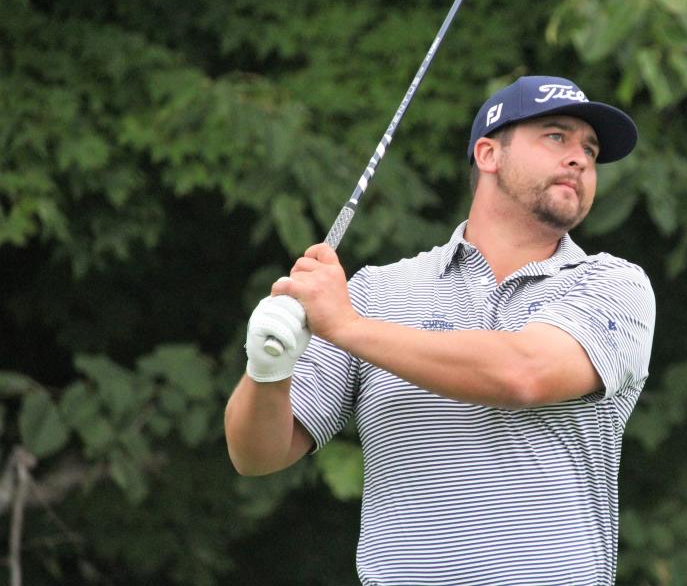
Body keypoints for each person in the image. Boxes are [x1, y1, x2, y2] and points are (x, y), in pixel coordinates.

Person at [224, 75, 656, 586]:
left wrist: (345, 326)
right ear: (489, 154)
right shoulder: (377, 292)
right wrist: (268, 367)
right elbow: (256, 454)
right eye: (556, 137)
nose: (581, 159)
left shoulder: (613, 284)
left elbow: (525, 374)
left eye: (590, 149)